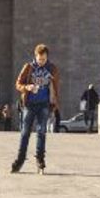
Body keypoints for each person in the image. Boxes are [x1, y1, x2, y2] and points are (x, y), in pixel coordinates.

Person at [11, 43, 59, 174]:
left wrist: (54, 103)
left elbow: (55, 87)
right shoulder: (28, 67)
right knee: (25, 132)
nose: (42, 62)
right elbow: (18, 84)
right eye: (40, 59)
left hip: (44, 104)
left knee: (41, 132)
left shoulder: (52, 69)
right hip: (29, 104)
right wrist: (27, 87)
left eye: (44, 59)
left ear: (47, 57)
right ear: (35, 56)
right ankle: (20, 160)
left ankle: (40, 160)